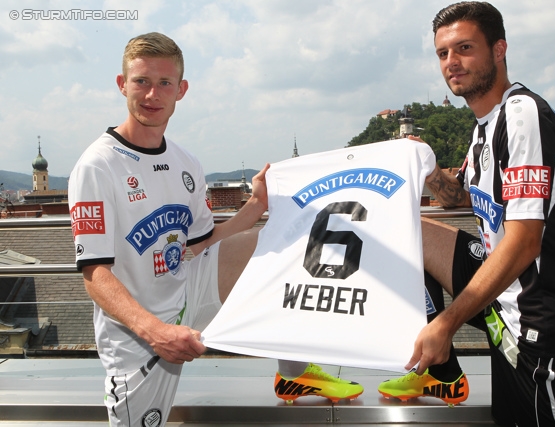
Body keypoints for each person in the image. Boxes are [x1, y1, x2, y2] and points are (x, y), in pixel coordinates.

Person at [68, 32, 360, 427]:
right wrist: (155, 331)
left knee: (273, 244)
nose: (152, 94)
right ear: (123, 85)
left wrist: (257, 204)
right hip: (138, 332)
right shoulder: (97, 165)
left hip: (187, 289)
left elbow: (205, 243)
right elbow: (94, 274)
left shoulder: (186, 162)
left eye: (164, 83)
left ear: (181, 90)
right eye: (141, 81)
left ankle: (295, 374)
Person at [377, 2, 555, 426]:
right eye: (443, 53)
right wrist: (424, 166)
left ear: (499, 50)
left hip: (544, 320)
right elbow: (459, 198)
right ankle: (442, 375)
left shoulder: (522, 115)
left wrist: (448, 321)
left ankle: (438, 344)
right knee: (405, 231)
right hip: (506, 307)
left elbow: (524, 239)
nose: (451, 63)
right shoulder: (484, 126)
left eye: (464, 48)